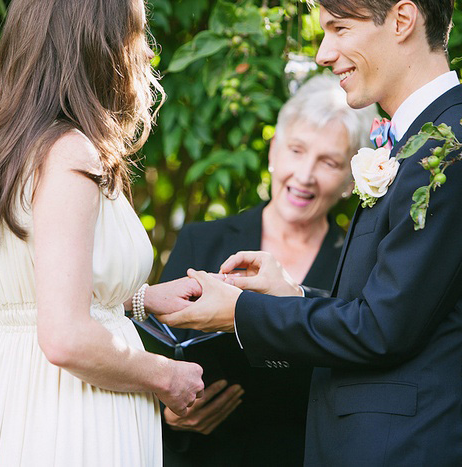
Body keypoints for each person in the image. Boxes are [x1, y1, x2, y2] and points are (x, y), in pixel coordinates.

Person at [156, 0, 462, 465]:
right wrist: (292, 297)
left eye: (340, 28)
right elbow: (389, 305)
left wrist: (241, 312)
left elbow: (381, 330)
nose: (326, 53)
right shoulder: (422, 146)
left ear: (403, 21)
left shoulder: (454, 156)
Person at [0, 0, 204, 465]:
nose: (146, 54)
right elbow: (64, 336)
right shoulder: (68, 155)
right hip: (78, 423)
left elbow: (22, 309)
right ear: (95, 46)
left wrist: (140, 299)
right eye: (136, 35)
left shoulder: (1, 152)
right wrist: (167, 376)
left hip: (19, 412)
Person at [156, 74, 378, 466]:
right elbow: (155, 351)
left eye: (328, 161)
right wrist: (169, 419)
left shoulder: (359, 265)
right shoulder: (200, 242)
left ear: (349, 180)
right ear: (274, 150)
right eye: (297, 150)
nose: (305, 175)